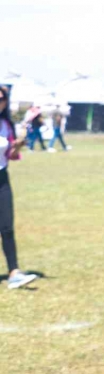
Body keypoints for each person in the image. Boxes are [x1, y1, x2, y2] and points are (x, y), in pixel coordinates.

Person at [0, 86, 39, 289]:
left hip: (1, 179)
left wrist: (16, 147)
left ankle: (14, 272)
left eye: (1, 99)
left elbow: (11, 156)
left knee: (6, 226)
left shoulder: (6, 124)